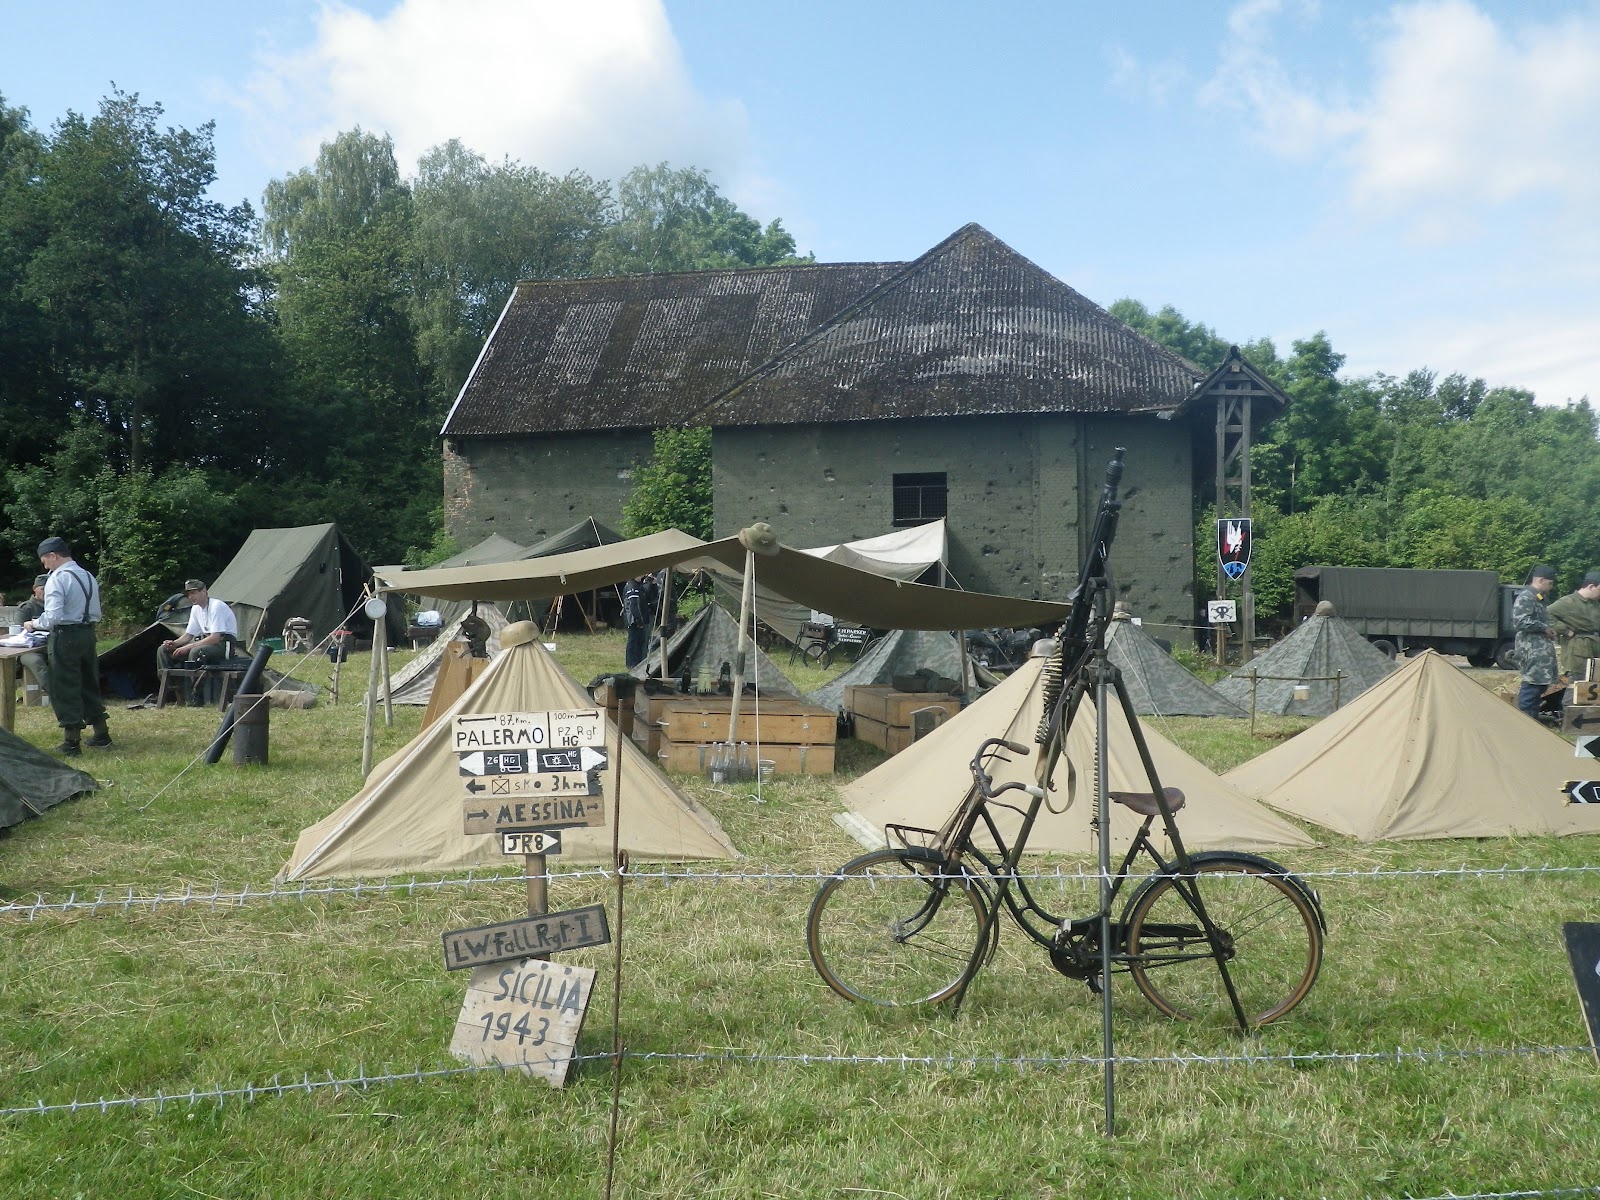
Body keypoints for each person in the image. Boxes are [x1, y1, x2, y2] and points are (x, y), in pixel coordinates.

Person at [22, 536, 110, 755]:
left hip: (65, 636)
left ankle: (71, 742)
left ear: (53, 556)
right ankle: (101, 733)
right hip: (88, 634)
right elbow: (95, 611)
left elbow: (52, 617)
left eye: (45, 560)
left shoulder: (57, 579)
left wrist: (33, 624)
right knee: (89, 683)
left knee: (64, 687)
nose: (44, 565)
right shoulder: (88, 575)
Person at [158, 579, 239, 706]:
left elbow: (215, 638)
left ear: (204, 592)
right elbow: (189, 634)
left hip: (224, 644)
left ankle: (196, 696)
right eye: (189, 594)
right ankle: (175, 690)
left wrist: (189, 647)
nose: (191, 597)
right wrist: (174, 643)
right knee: (163, 650)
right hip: (207, 642)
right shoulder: (196, 609)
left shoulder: (216, 606)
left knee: (196, 652)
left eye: (194, 593)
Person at [1512, 564, 1560, 720]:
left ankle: (1531, 721)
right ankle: (1524, 723)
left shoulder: (1538, 598)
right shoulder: (1526, 597)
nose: (1551, 587)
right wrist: (1543, 627)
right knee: (1531, 688)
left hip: (1538, 651)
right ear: (1540, 580)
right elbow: (1520, 621)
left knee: (1538, 688)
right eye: (1550, 583)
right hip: (1531, 651)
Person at [1549, 572, 1600, 680]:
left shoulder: (1595, 604)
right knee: (1574, 686)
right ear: (1591, 587)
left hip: (1595, 650)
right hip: (1578, 653)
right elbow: (1546, 613)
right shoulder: (1568, 602)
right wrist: (1564, 630)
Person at [15, 573, 51, 699]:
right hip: (29, 650)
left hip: (52, 646)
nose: (46, 592)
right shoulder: (26, 608)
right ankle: (57, 695)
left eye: (49, 589)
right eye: (43, 589)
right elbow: (20, 633)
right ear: (34, 588)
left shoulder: (55, 607)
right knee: (37, 662)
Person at [622, 572, 659, 668]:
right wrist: (638, 619)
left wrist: (653, 584)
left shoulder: (639, 585)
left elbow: (649, 596)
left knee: (640, 642)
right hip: (633, 620)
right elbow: (633, 605)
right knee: (633, 641)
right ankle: (631, 664)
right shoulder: (632, 585)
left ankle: (638, 663)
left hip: (641, 619)